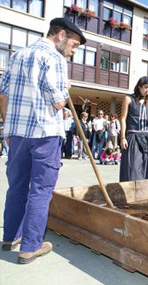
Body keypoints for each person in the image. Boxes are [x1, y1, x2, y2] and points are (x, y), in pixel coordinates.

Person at [0, 17, 85, 264]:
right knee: (41, 190)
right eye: (75, 44)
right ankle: (30, 246)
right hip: (45, 134)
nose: (74, 50)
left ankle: (10, 237)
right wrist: (66, 89)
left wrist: (8, 125)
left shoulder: (18, 55)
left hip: (17, 133)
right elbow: (58, 101)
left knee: (16, 186)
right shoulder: (55, 58)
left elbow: (2, 94)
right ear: (61, 35)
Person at [119, 76, 148, 181]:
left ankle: (146, 192)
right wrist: (123, 137)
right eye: (145, 87)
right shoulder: (128, 99)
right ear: (139, 86)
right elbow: (123, 119)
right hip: (133, 136)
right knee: (133, 168)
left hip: (147, 138)